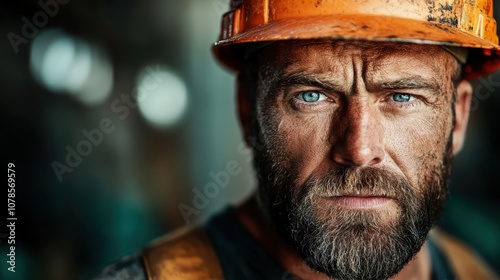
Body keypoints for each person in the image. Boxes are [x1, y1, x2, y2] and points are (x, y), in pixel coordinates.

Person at [94, 0, 500, 279]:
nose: (358, 150)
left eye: (402, 97)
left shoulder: (475, 273)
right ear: (248, 109)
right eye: (311, 96)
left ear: (458, 116)